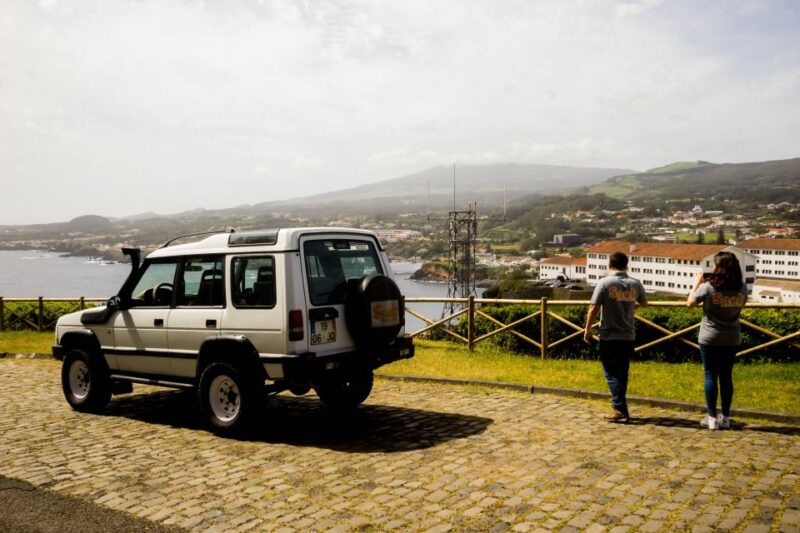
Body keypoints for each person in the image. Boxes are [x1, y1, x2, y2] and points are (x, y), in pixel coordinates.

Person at [584, 251, 647, 422]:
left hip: (609, 334)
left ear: (609, 265)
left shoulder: (604, 283)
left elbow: (593, 307)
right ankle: (620, 407)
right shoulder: (636, 283)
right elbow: (644, 303)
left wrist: (587, 329)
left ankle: (619, 408)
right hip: (628, 334)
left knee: (611, 372)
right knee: (622, 372)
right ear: (627, 265)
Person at [687, 251, 747, 430]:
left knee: (710, 374)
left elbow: (690, 303)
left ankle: (712, 418)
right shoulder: (742, 287)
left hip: (710, 337)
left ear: (719, 268)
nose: (712, 268)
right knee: (726, 376)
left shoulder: (708, 287)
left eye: (714, 265)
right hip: (732, 337)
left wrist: (696, 284)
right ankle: (726, 418)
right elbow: (741, 304)